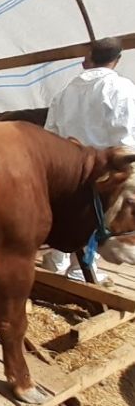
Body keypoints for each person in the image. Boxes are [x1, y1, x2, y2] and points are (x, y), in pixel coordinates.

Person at [43, 37, 135, 284]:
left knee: (67, 212)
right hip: (103, 168)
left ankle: (57, 260)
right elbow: (126, 135)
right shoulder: (122, 89)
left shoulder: (64, 92)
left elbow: (50, 132)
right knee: (95, 218)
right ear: (116, 60)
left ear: (88, 60)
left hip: (68, 167)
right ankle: (80, 269)